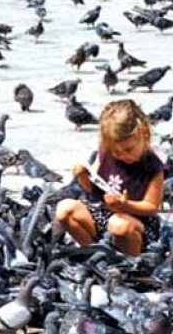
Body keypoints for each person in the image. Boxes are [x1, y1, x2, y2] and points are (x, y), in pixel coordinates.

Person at [55, 99, 165, 257]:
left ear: (145, 134)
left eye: (128, 149)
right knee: (65, 209)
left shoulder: (154, 167)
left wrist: (125, 205)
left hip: (137, 224)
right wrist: (82, 176)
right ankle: (95, 255)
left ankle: (130, 264)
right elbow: (96, 191)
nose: (122, 155)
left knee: (120, 225)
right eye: (115, 151)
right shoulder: (107, 152)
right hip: (104, 214)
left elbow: (151, 206)